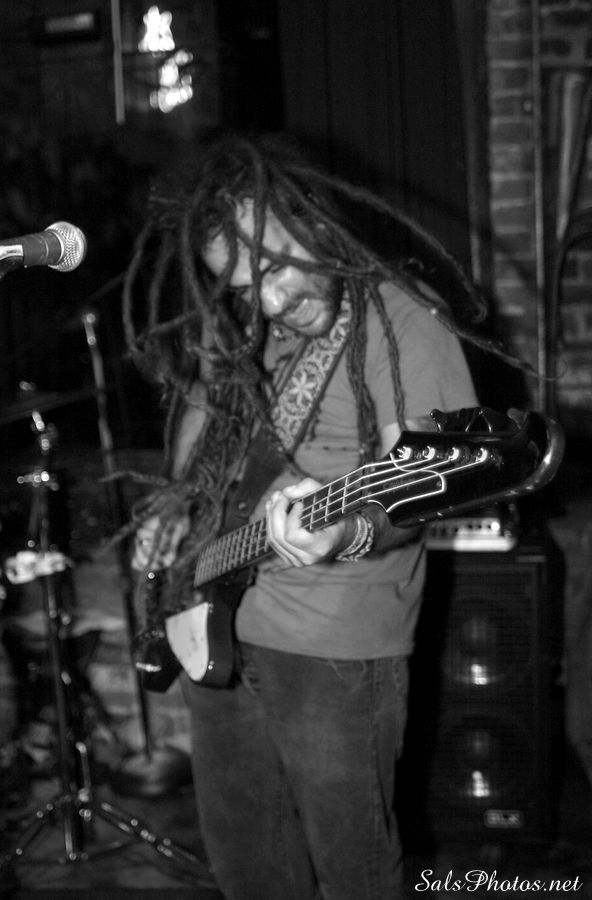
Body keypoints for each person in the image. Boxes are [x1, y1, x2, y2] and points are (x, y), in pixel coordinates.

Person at [123, 132, 481, 900]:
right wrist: (174, 509)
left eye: (276, 268)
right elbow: (200, 435)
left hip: (333, 649)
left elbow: (415, 491)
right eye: (243, 285)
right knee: (247, 870)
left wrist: (344, 530)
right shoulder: (239, 325)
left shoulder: (402, 321)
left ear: (315, 220)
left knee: (354, 873)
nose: (269, 300)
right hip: (215, 618)